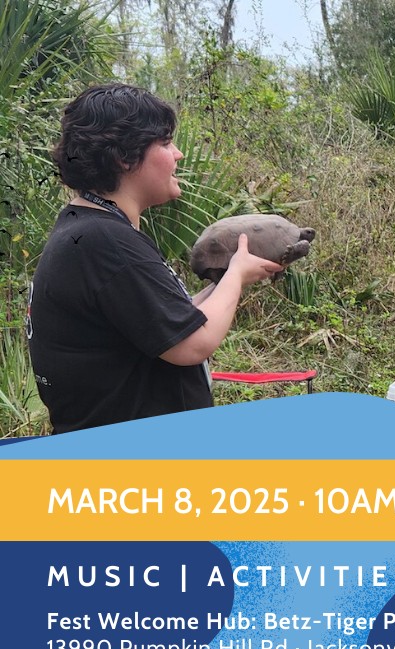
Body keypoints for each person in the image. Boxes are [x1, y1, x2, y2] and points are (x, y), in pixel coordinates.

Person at [27, 83, 283, 433]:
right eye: (165, 143)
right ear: (124, 156)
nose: (178, 154)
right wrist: (236, 276)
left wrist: (229, 279)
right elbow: (191, 344)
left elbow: (167, 322)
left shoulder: (86, 231)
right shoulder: (105, 242)